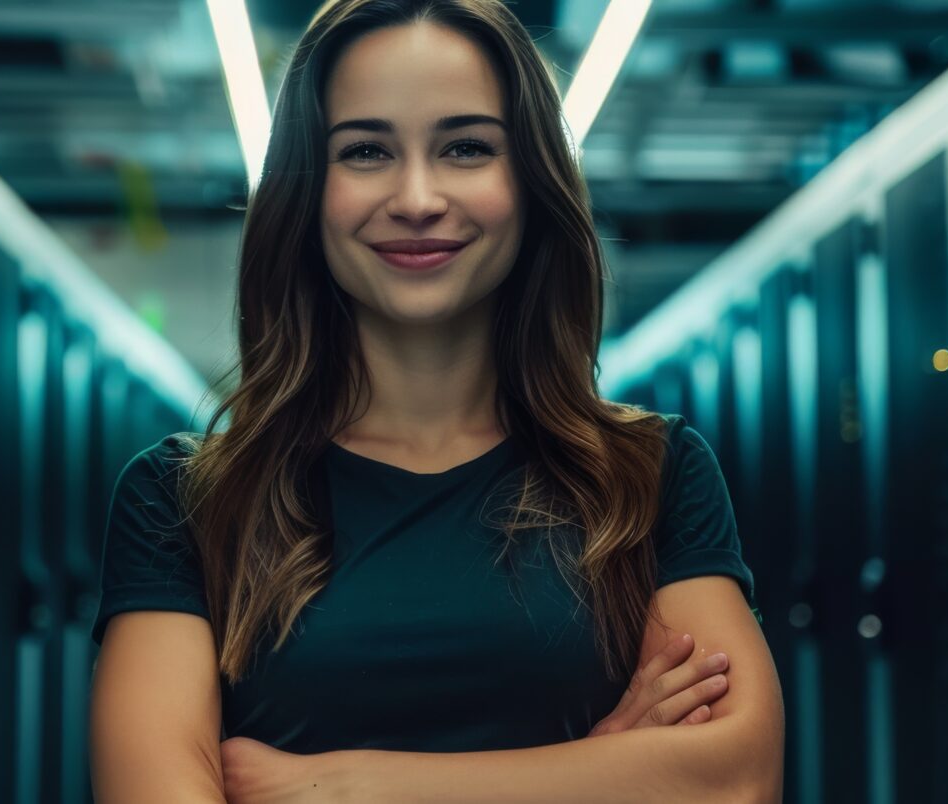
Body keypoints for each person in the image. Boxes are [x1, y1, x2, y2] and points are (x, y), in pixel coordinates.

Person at [86, 0, 783, 800]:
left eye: (465, 147)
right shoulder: (184, 501)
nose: (417, 197)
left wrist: (342, 787)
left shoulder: (649, 475)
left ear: (529, 181)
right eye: (366, 151)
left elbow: (733, 782)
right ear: (307, 193)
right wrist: (602, 770)